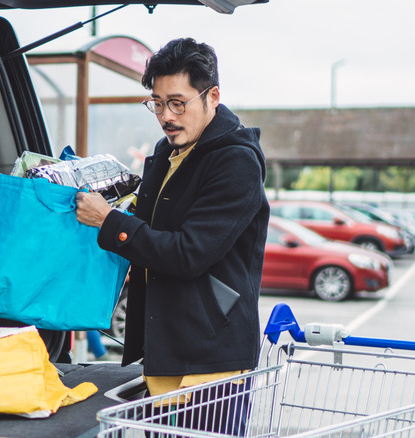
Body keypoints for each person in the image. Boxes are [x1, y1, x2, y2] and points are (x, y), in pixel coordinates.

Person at [75, 37, 269, 435]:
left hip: (210, 361)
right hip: (164, 350)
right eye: (157, 103)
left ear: (212, 96)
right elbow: (151, 234)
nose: (167, 115)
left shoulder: (236, 162)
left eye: (178, 102)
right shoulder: (167, 154)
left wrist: (110, 222)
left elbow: (189, 253)